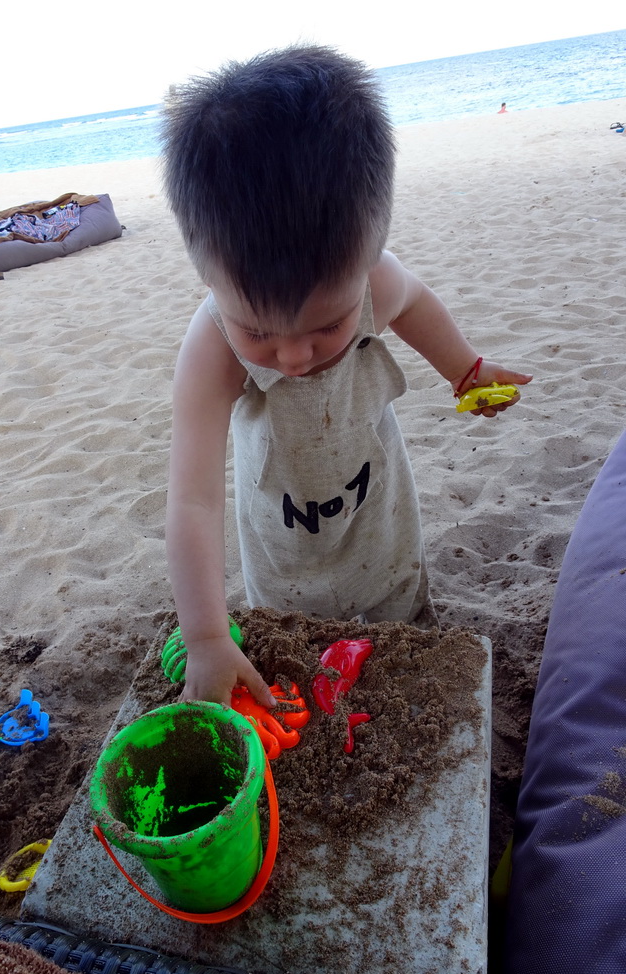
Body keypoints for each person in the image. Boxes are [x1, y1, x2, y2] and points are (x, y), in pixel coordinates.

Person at [163, 46, 532, 707]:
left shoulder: (375, 284)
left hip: (377, 515)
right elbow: (192, 500)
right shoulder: (213, 344)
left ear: (362, 269)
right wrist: (208, 639)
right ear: (208, 278)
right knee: (299, 654)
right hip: (282, 547)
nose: (296, 357)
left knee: (399, 623)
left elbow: (414, 301)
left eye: (325, 327)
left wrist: (465, 370)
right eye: (261, 334)